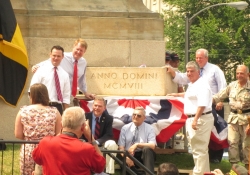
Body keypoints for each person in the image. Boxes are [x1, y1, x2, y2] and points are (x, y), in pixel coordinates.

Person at [167, 48, 227, 163]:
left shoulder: (214, 69)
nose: (198, 60)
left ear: (206, 58)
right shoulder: (193, 71)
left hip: (213, 104)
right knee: (202, 139)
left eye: (200, 58)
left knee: (216, 132)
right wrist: (172, 72)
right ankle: (205, 160)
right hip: (198, 107)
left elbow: (222, 85)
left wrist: (220, 100)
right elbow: (183, 78)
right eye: (197, 58)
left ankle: (216, 157)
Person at [168, 61, 214, 175]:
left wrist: (195, 120)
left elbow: (202, 104)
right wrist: (177, 95)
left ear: (198, 71)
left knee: (199, 149)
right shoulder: (193, 84)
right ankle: (205, 172)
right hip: (194, 118)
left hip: (200, 118)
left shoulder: (202, 84)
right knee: (198, 149)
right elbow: (190, 95)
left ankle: (198, 173)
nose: (189, 73)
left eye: (192, 71)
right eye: (187, 71)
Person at [32, 107, 106, 175]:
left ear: (61, 125)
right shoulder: (86, 149)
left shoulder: (45, 142)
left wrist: (60, 132)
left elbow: (37, 159)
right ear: (83, 127)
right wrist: (91, 139)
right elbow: (100, 167)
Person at [14, 83, 61, 175]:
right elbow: (59, 133)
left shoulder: (23, 110)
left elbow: (18, 134)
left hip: (28, 149)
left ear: (31, 96)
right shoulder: (54, 111)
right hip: (49, 148)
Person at [213, 65, 250, 170]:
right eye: (237, 73)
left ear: (247, 74)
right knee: (232, 143)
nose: (239, 75)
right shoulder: (232, 86)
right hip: (233, 119)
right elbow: (219, 96)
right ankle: (234, 169)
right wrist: (206, 100)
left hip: (247, 119)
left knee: (246, 145)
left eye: (242, 73)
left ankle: (248, 170)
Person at [80, 97, 118, 175]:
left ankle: (108, 172)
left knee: (112, 144)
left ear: (104, 108)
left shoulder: (108, 118)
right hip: (86, 143)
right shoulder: (85, 116)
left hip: (100, 143)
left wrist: (96, 142)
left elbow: (109, 134)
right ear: (92, 106)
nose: (97, 108)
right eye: (95, 105)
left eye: (100, 106)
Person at [29, 45, 71, 115]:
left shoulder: (65, 74)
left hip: (58, 107)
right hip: (42, 106)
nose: (56, 58)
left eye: (58, 56)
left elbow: (66, 96)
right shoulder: (40, 70)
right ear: (50, 55)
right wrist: (34, 109)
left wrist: (66, 113)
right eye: (54, 55)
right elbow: (32, 91)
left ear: (62, 57)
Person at [118, 106, 156, 175]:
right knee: (125, 163)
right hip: (129, 154)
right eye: (134, 114)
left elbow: (152, 145)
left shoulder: (149, 128)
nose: (135, 117)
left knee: (147, 149)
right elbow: (121, 147)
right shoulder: (125, 128)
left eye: (138, 115)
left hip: (143, 156)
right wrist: (126, 157)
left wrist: (137, 145)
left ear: (144, 118)